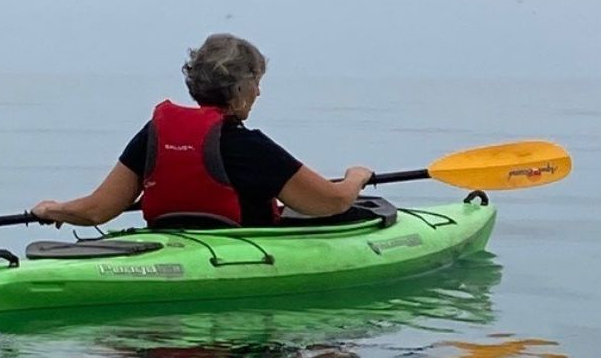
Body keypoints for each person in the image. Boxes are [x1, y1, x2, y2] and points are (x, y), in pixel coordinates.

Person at [29, 34, 373, 229]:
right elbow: (332, 202)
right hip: (240, 262)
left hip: (169, 251)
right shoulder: (250, 147)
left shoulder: (155, 135)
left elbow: (96, 211)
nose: (259, 93)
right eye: (257, 83)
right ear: (240, 88)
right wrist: (356, 177)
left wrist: (51, 209)